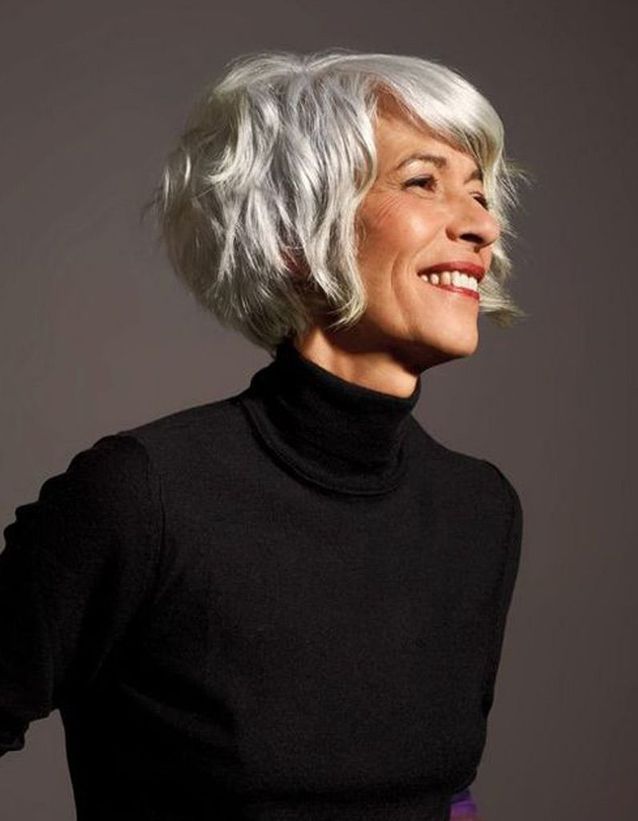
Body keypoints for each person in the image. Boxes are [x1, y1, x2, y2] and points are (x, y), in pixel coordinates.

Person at [0, 49, 526, 820]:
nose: (483, 225)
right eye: (423, 182)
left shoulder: (479, 510)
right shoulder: (142, 495)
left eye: (479, 193)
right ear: (294, 232)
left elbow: (445, 797)